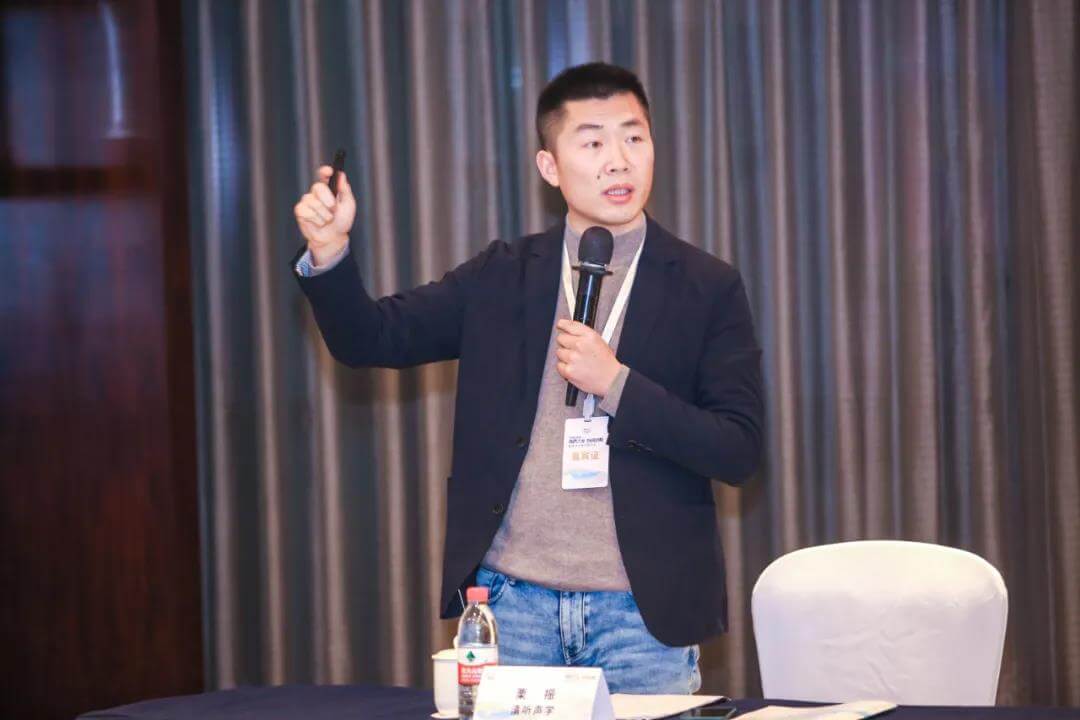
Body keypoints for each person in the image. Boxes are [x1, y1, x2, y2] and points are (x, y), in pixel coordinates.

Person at [291, 62, 763, 694]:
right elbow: (370, 338)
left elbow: (737, 449)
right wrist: (328, 253)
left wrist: (616, 383)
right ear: (550, 166)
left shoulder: (706, 286)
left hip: (641, 618)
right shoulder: (502, 275)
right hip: (512, 608)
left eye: (634, 137)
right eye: (592, 142)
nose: (618, 161)